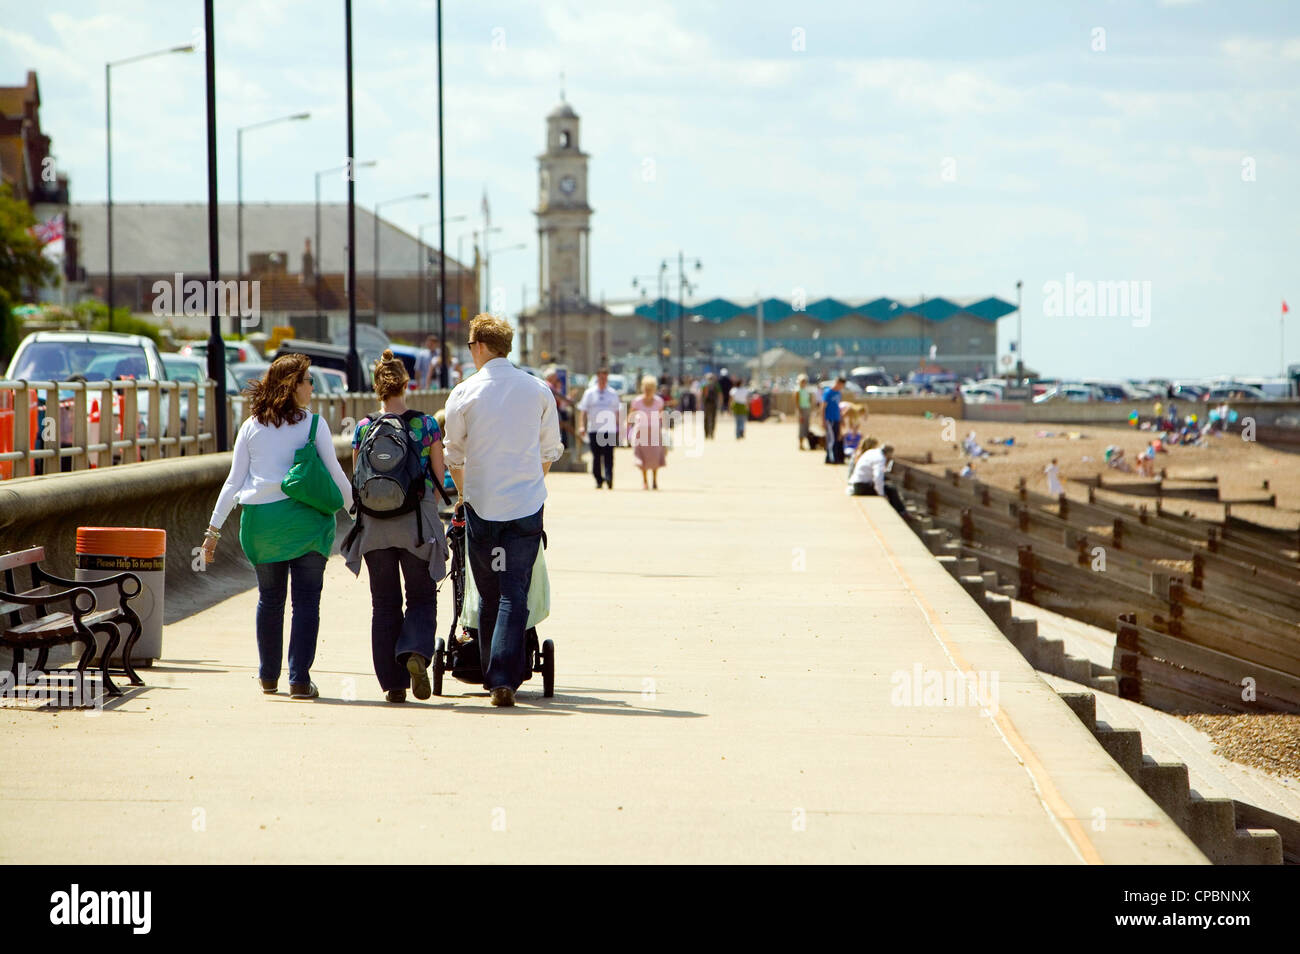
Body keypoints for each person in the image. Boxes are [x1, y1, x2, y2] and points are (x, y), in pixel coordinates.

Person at [203, 354, 353, 701]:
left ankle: (268, 677)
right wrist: (359, 517)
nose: (312, 386)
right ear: (292, 386)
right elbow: (337, 477)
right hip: (307, 525)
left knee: (269, 600)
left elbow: (232, 483)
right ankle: (299, 679)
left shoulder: (252, 426)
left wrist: (213, 531)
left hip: (261, 525)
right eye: (307, 380)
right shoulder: (314, 426)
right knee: (306, 603)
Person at [443, 315, 563, 707]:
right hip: (525, 507)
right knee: (515, 591)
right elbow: (550, 451)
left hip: (482, 507)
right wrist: (530, 481)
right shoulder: (538, 390)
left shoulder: (464, 393)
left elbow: (453, 456)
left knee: (489, 592)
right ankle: (503, 679)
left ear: (479, 345)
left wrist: (464, 493)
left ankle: (491, 675)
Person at [342, 350, 449, 704]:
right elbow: (437, 480)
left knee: (384, 604)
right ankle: (416, 650)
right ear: (406, 384)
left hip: (375, 529)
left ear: (377, 388)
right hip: (416, 525)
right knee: (420, 596)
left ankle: (394, 684)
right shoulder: (427, 425)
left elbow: (358, 481)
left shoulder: (363, 428)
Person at [577, 366, 622, 489]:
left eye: (605, 377)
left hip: (610, 430)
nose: (603, 380)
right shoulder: (590, 393)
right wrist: (582, 425)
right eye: (601, 377)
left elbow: (617, 411)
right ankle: (598, 479)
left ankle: (609, 477)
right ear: (597, 377)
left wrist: (620, 427)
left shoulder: (612, 393)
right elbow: (583, 411)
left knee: (609, 455)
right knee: (596, 456)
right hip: (594, 429)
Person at [629, 375, 668, 489]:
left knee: (655, 456)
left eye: (650, 389)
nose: (648, 391)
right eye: (646, 388)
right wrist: (626, 429)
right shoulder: (637, 401)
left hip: (655, 432)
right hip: (641, 432)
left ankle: (655, 480)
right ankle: (645, 481)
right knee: (643, 457)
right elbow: (631, 415)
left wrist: (664, 430)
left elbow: (662, 416)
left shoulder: (659, 401)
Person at [849, 440, 905, 514]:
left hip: (856, 484)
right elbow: (878, 477)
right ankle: (901, 512)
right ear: (888, 453)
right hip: (861, 487)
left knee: (887, 486)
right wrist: (881, 494)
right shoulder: (880, 458)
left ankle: (899, 510)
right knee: (891, 489)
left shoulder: (872, 452)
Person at [822, 376, 845, 463]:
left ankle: (834, 457)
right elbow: (823, 407)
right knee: (831, 439)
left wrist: (841, 419)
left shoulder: (839, 393)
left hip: (836, 418)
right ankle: (831, 458)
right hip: (829, 419)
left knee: (836, 438)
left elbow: (838, 407)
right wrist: (823, 420)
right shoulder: (828, 392)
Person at [796, 373, 818, 450]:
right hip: (802, 410)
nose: (804, 383)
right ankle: (800, 444)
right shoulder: (798, 391)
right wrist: (800, 413)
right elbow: (797, 403)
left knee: (806, 428)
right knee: (802, 428)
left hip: (807, 410)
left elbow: (809, 401)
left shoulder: (806, 391)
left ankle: (807, 443)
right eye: (802, 381)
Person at [701, 373, 720, 440]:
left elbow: (702, 395)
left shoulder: (705, 385)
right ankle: (711, 433)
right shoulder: (716, 385)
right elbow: (720, 395)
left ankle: (707, 433)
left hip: (707, 404)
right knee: (712, 419)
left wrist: (701, 402)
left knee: (707, 419)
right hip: (713, 403)